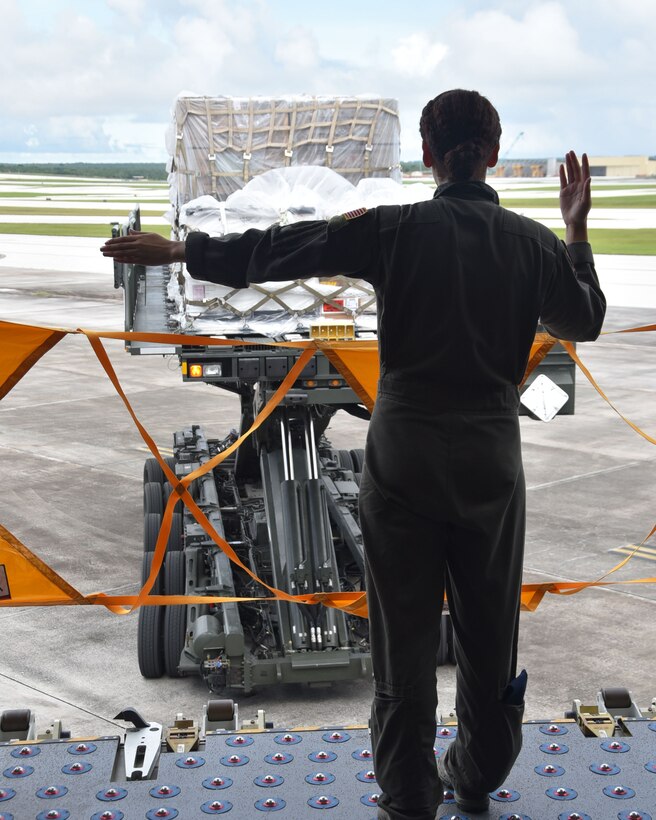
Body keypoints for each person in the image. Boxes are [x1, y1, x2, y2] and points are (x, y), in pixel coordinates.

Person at [101, 89, 605, 820]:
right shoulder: (532, 243)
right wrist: (576, 231)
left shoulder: (394, 229)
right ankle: (476, 774)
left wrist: (182, 248)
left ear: (426, 156)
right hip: (490, 456)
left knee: (402, 646)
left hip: (404, 448)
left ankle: (408, 799)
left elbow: (284, 248)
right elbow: (584, 320)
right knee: (489, 638)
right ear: (493, 152)